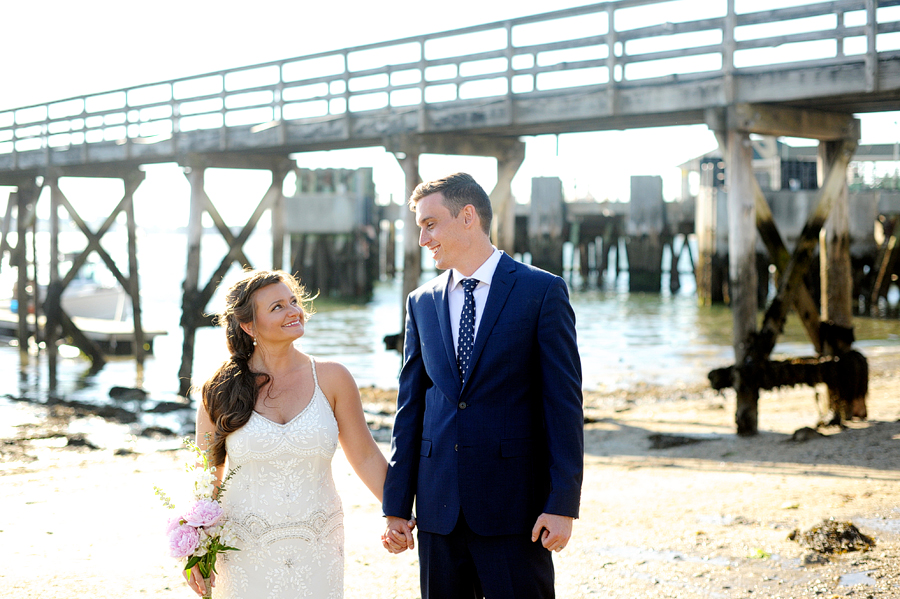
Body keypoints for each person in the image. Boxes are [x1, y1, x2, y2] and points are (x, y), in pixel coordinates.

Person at [382, 173, 584, 598]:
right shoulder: (421, 302)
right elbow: (410, 409)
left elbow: (563, 405)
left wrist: (562, 504)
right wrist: (396, 507)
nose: (423, 238)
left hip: (515, 509)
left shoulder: (543, 291)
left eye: (430, 224)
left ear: (467, 216)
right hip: (437, 511)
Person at [186, 269, 393, 599]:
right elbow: (207, 475)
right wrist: (196, 545)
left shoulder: (333, 378)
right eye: (277, 307)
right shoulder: (220, 389)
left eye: (293, 301)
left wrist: (397, 512)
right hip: (242, 547)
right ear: (248, 326)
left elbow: (366, 455)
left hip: (318, 543)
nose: (294, 311)